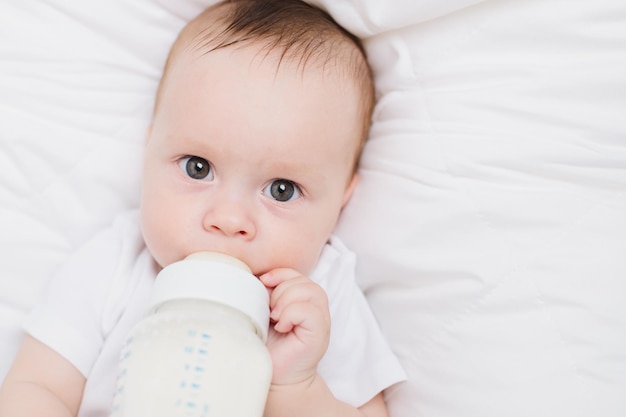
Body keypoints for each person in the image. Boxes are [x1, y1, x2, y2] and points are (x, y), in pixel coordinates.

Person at [0, 0, 406, 416]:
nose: (229, 220)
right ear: (150, 149)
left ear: (341, 201)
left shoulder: (322, 300)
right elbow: (36, 385)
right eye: (198, 168)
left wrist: (296, 388)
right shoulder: (115, 265)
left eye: (282, 190)